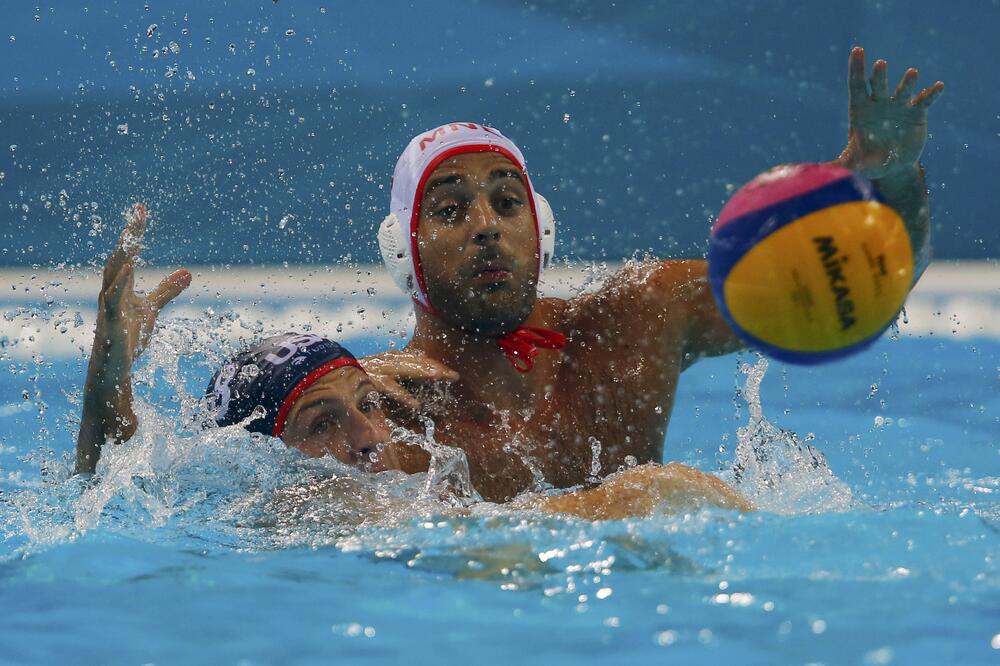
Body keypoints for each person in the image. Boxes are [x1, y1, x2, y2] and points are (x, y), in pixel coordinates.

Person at [369, 47, 945, 502]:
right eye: (449, 210)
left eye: (508, 202)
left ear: (541, 227)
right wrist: (626, 502)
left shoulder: (632, 322)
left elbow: (867, 290)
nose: (487, 226)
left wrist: (888, 176)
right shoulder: (378, 408)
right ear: (403, 250)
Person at [74, 203, 751, 518]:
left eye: (367, 405)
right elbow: (110, 481)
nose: (367, 437)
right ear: (263, 451)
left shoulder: (415, 474)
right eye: (321, 423)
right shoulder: (307, 507)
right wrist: (630, 499)